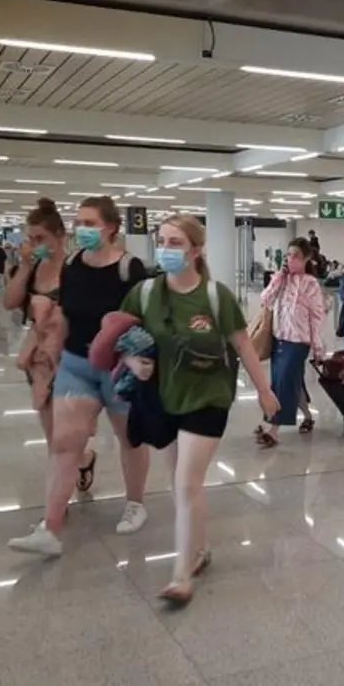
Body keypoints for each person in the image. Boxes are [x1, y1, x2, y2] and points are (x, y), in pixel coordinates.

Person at [118, 214, 279, 605]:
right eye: (162, 241)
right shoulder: (144, 294)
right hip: (164, 397)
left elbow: (243, 344)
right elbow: (120, 338)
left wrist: (264, 391)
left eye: (175, 243)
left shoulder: (215, 296)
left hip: (209, 396)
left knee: (187, 481)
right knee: (181, 483)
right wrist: (132, 361)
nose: (166, 250)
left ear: (195, 251)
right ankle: (200, 549)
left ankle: (181, 575)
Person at [8, 196, 151, 556]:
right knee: (64, 442)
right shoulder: (72, 265)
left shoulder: (130, 269)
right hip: (76, 364)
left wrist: (138, 362)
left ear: (111, 227)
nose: (82, 229)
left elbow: (142, 321)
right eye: (79, 222)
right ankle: (51, 527)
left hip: (118, 366)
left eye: (90, 223)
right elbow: (66, 315)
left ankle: (135, 503)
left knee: (130, 439)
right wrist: (55, 358)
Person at [4, 199, 99, 475]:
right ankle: (73, 470)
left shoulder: (77, 268)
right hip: (41, 359)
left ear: (60, 235)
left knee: (70, 430)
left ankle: (74, 466)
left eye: (40, 238)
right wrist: (24, 266)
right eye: (30, 239)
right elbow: (9, 302)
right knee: (52, 432)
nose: (35, 244)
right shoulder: (33, 269)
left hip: (72, 355)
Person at [255, 238, 326, 447]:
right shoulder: (281, 279)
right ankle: (308, 416)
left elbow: (316, 317)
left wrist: (317, 348)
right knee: (288, 381)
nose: (291, 259)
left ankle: (274, 429)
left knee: (284, 382)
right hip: (279, 339)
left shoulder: (310, 284)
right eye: (288, 255)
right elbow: (265, 299)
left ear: (306, 259)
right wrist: (279, 278)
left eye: (296, 255)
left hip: (298, 342)